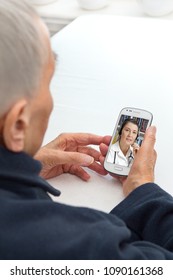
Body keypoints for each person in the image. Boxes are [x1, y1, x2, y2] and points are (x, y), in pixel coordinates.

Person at [0, 0, 173, 260]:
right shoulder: (82, 243)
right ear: (18, 123)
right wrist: (142, 188)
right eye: (49, 83)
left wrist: (20, 168)